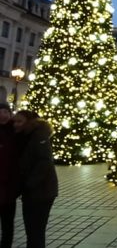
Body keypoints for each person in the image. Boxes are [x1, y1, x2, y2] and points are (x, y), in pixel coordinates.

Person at [14, 110, 58, 248]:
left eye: (19, 121)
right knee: (33, 231)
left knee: (35, 231)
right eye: (14, 121)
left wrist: (29, 183)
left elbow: (45, 162)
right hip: (35, 191)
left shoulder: (38, 136)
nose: (16, 124)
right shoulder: (26, 135)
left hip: (41, 192)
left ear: (29, 122)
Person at [0, 103, 18, 248]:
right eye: (0, 112)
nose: (3, 115)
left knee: (7, 224)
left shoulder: (16, 131)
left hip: (9, 188)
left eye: (6, 111)